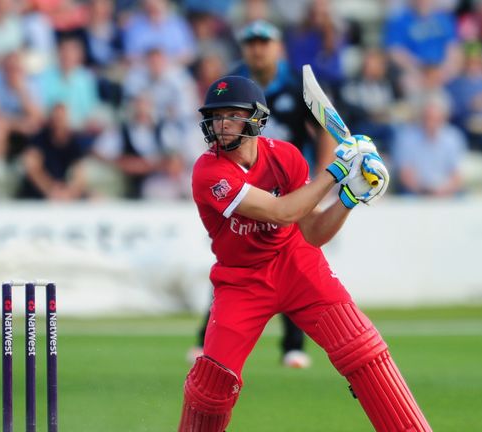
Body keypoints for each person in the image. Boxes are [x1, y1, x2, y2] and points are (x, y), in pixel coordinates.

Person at [178, 75, 431, 431]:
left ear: (256, 118)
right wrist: (338, 171)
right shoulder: (209, 171)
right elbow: (282, 212)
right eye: (216, 116)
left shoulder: (286, 156)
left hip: (296, 262)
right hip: (242, 279)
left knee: (363, 350)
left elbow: (312, 232)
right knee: (211, 386)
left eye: (232, 115)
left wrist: (349, 197)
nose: (221, 125)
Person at [189, 19, 335, 368]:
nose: (257, 48)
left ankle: (292, 345)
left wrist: (325, 179)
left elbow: (324, 130)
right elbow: (281, 212)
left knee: (291, 259)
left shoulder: (298, 85)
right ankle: (207, 342)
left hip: (289, 174)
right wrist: (334, 176)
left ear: (277, 46)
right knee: (239, 254)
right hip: (242, 176)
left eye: (263, 42)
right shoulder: (233, 82)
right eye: (250, 42)